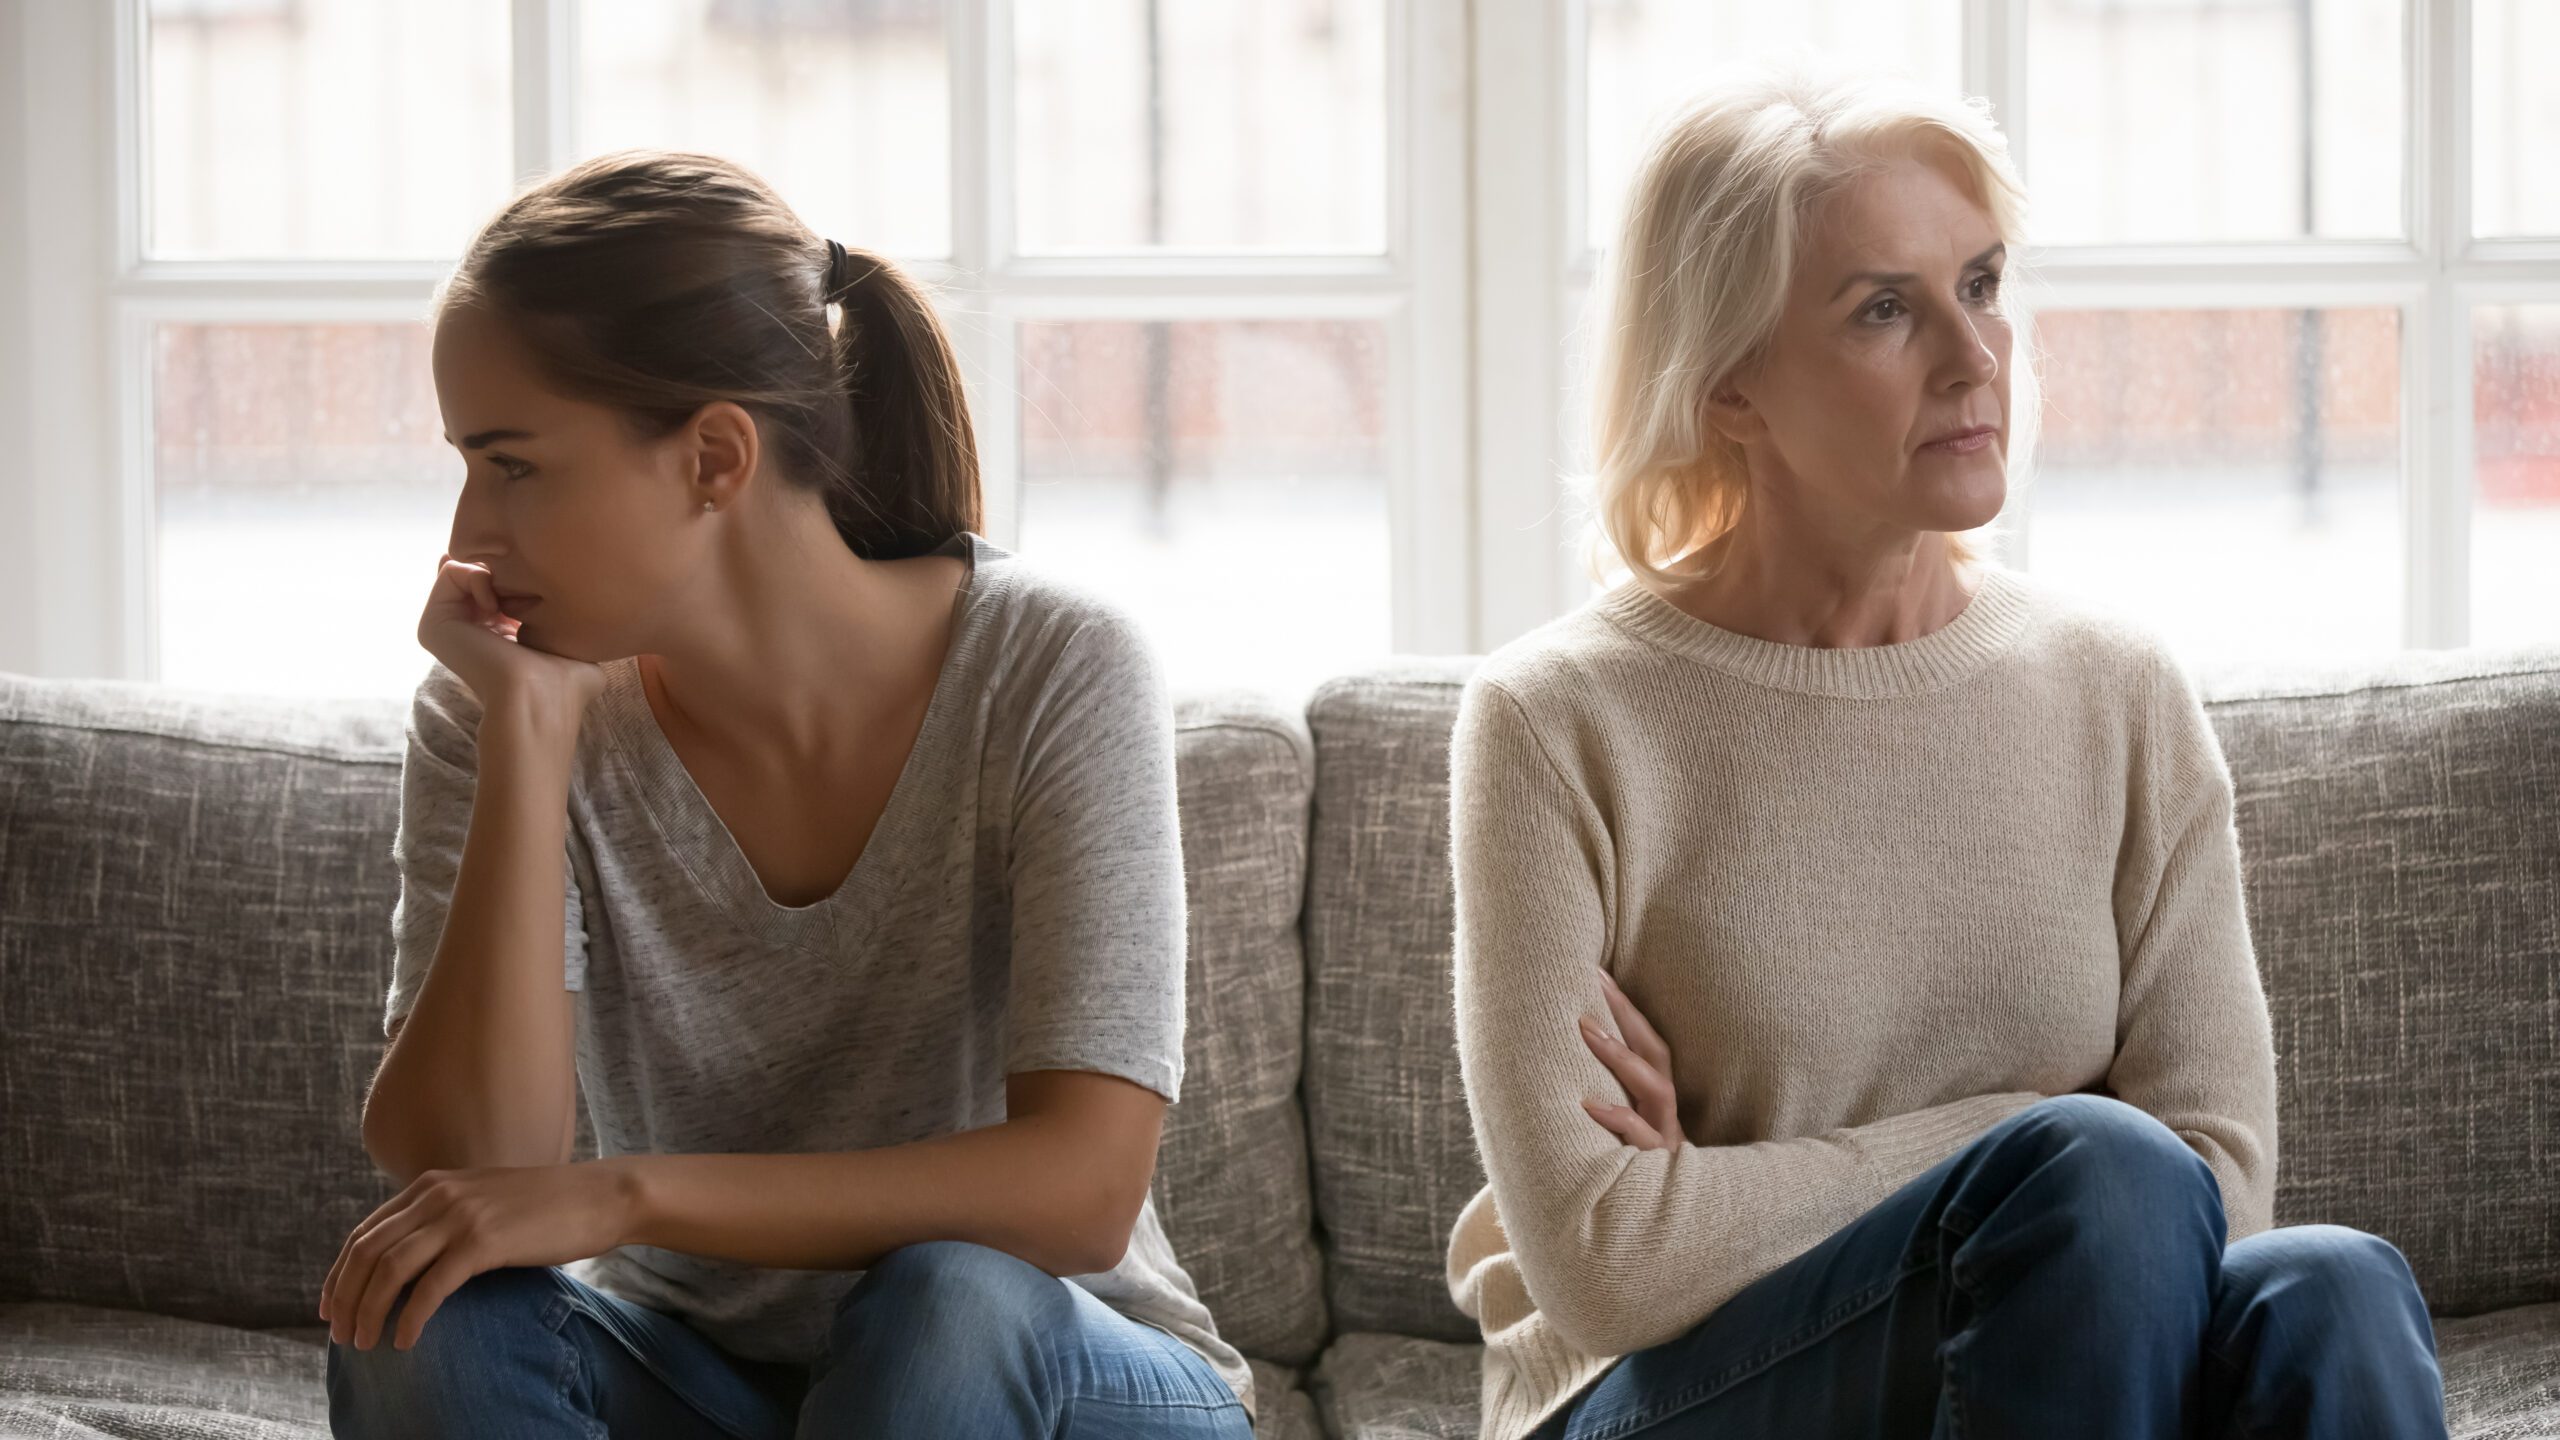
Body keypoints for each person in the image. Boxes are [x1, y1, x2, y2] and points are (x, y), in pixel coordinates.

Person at [1444, 63, 2448, 1440]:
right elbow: (1611, 1255)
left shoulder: (2116, 693)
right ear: (1730, 382)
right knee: (2095, 1168)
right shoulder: (1556, 722)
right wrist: (2033, 1139)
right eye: (1883, 310)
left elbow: (2218, 1184)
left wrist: (1765, 1184)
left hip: (2058, 1366)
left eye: (1980, 284)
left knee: (2328, 1290)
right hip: (1664, 1401)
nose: (1974, 358)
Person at [319, 148, 1255, 1439]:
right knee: (429, 1316)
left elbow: (1079, 1190)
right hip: (703, 1379)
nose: (467, 536)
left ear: (713, 457)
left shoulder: (1052, 667)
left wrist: (627, 1198)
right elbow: (469, 1174)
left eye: (513, 465)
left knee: (943, 1308)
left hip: (1056, 1377)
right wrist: (527, 746)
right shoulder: (499, 707)